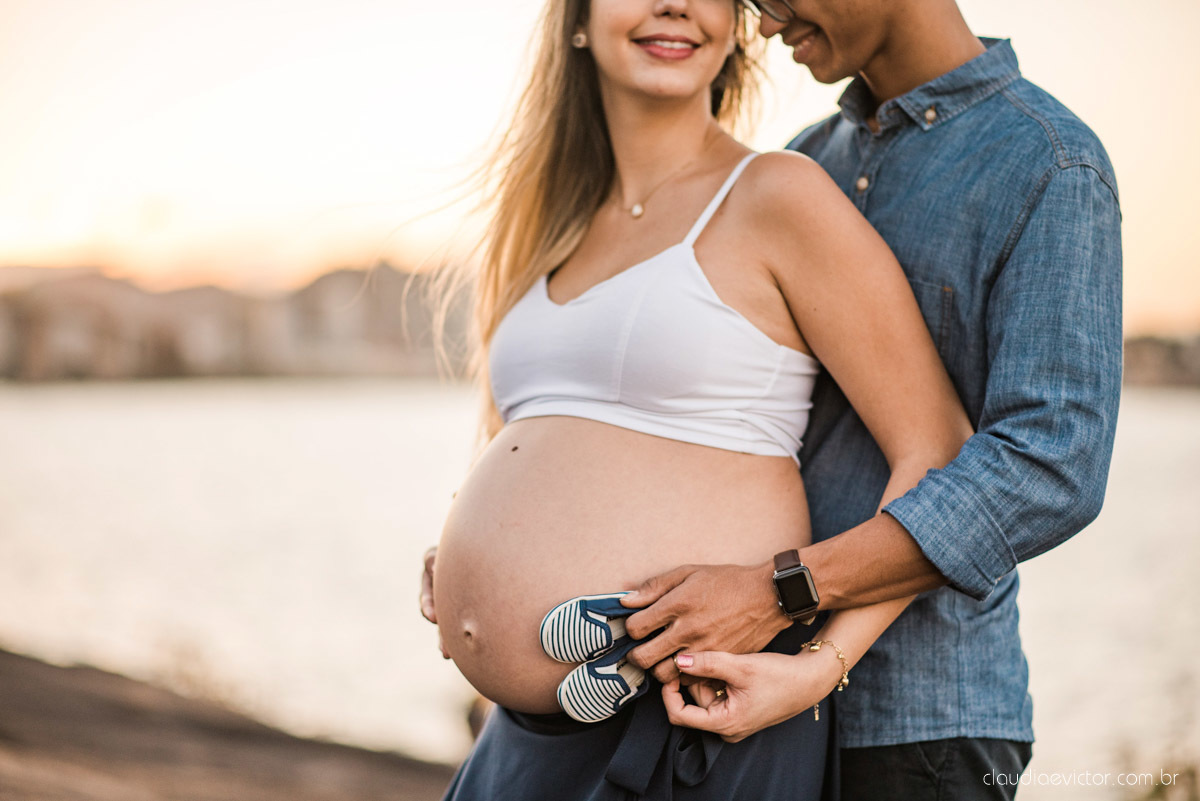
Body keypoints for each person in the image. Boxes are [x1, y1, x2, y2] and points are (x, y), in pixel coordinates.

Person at [418, 0, 987, 798]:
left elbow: (939, 451)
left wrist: (822, 667)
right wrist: (466, 554)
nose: (675, 3)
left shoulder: (777, 194)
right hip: (523, 740)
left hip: (691, 717)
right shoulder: (552, 222)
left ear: (735, 28)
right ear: (576, 21)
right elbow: (543, 439)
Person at [619, 1, 1123, 798]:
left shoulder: (1050, 163)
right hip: (746, 701)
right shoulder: (807, 159)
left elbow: (1050, 464)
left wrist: (781, 590)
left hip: (921, 724)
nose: (764, 22)